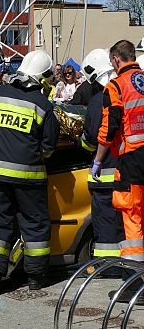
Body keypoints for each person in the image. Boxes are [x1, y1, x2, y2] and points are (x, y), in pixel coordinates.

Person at [0, 50, 60, 296]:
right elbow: (49, 148)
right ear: (41, 78)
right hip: (28, 176)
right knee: (35, 224)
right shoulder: (42, 105)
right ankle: (35, 278)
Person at [92, 40, 144, 302]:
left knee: (133, 221)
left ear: (114, 60)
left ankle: (134, 286)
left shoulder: (115, 86)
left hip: (131, 161)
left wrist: (99, 161)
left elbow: (109, 127)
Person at [80, 49, 124, 260]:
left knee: (106, 226)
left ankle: (109, 266)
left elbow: (91, 141)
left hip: (104, 176)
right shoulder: (131, 92)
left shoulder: (98, 101)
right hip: (130, 173)